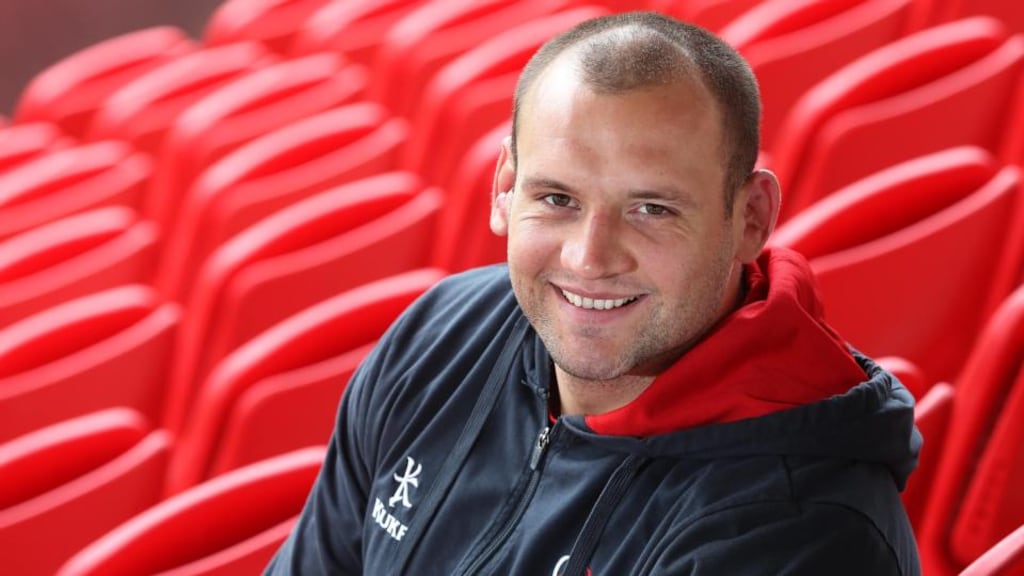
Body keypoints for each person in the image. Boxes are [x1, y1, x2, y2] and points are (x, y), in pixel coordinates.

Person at [266, 11, 922, 575]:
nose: (588, 257)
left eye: (652, 209)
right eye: (557, 199)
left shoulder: (796, 533)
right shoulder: (440, 335)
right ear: (504, 190)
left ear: (750, 218)